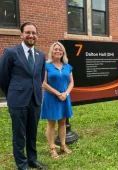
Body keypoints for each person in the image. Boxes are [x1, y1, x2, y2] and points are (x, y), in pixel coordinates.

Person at [0, 22, 47, 170]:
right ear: (21, 34)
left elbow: (39, 78)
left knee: (32, 133)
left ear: (37, 35)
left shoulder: (40, 55)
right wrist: (12, 94)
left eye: (34, 33)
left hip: (35, 100)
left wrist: (35, 92)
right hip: (18, 101)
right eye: (28, 32)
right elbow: (2, 77)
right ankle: (22, 164)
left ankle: (33, 159)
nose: (31, 35)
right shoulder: (11, 52)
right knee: (19, 135)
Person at [41, 42, 74, 158]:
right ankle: (52, 148)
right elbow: (43, 83)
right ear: (52, 51)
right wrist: (57, 93)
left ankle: (63, 145)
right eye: (55, 49)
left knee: (63, 122)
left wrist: (65, 93)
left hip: (65, 97)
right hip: (51, 98)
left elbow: (71, 82)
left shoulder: (67, 66)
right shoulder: (46, 65)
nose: (58, 51)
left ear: (63, 52)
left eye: (60, 50)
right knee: (51, 124)